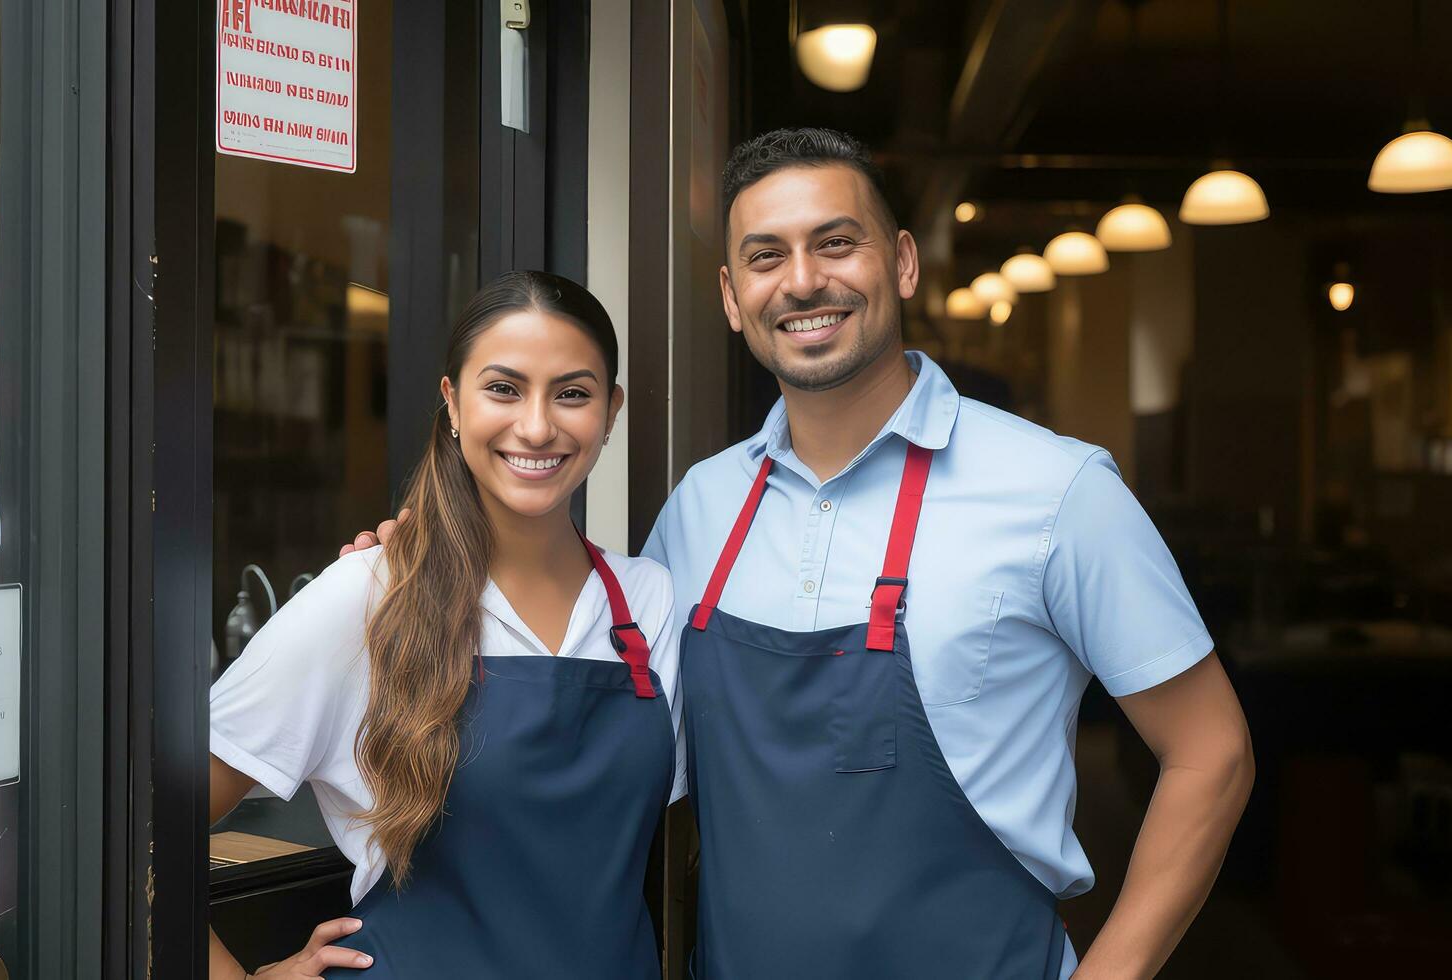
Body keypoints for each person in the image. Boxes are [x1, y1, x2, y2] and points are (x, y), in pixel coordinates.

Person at [347, 128, 1253, 979]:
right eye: (765, 256)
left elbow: (1210, 752)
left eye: (836, 243)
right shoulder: (701, 508)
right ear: (732, 298)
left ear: (899, 264)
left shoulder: (1058, 491)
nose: (802, 281)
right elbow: (583, 721)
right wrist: (419, 564)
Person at [211, 271, 685, 979]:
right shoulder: (368, 596)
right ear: (452, 402)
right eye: (503, 388)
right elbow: (146, 828)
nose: (536, 425)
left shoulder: (650, 603)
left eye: (573, 393)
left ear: (610, 411)